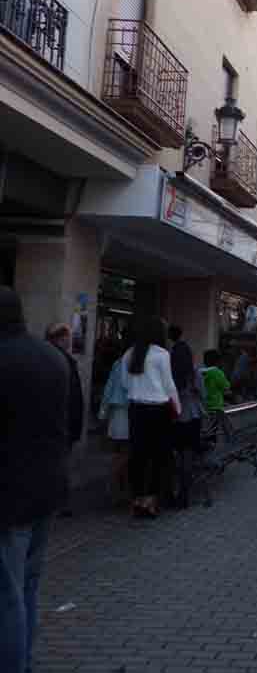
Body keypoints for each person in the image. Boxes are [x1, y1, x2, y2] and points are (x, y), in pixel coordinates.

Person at [0, 288, 70, 673]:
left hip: (10, 494)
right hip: (47, 487)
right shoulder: (52, 357)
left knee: (6, 593)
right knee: (27, 585)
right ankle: (23, 658)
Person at [122, 316, 179, 519]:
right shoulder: (162, 354)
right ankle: (151, 500)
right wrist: (177, 408)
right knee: (158, 456)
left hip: (136, 409)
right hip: (158, 410)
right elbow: (169, 385)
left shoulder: (129, 353)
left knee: (137, 455)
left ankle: (137, 499)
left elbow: (124, 383)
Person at [44, 324, 83, 517]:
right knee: (58, 464)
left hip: (61, 422)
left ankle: (57, 502)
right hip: (61, 423)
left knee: (57, 463)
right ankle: (57, 502)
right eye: (67, 337)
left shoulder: (59, 359)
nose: (70, 341)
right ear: (59, 338)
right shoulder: (60, 360)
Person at [169, 326, 205, 509]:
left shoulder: (171, 374)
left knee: (175, 454)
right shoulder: (195, 373)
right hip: (193, 417)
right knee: (188, 455)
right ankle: (185, 493)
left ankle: (172, 491)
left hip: (176, 418)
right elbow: (202, 395)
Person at [98, 346, 131, 505]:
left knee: (120, 451)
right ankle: (115, 486)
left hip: (117, 411)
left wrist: (103, 412)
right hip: (127, 412)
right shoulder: (135, 363)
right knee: (125, 452)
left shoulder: (118, 363)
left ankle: (118, 489)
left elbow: (108, 388)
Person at [201, 350, 230, 432]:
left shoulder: (200, 372)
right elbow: (226, 386)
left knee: (206, 430)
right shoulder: (217, 372)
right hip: (215, 406)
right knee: (215, 430)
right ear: (218, 361)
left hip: (203, 407)